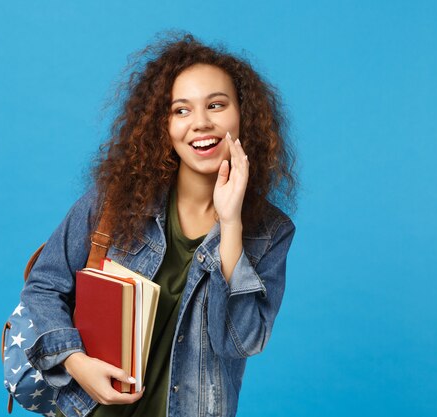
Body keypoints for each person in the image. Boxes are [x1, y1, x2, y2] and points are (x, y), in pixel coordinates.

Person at [20, 33, 297, 417]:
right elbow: (44, 285)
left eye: (216, 105)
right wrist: (75, 363)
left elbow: (240, 341)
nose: (200, 123)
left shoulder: (270, 232)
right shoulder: (114, 200)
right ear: (161, 124)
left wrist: (231, 223)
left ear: (242, 114)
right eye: (180, 110)